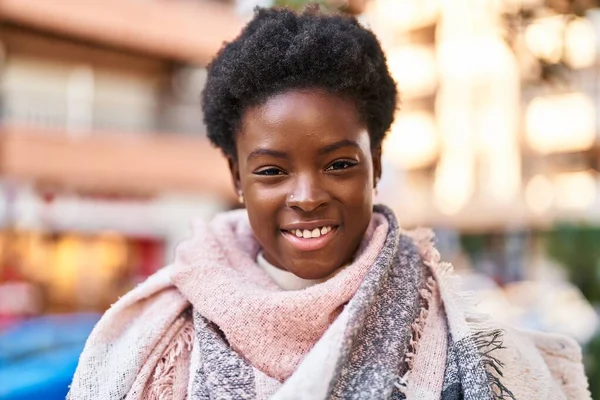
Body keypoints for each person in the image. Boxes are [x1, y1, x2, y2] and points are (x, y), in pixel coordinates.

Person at [69, 6, 590, 400]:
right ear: (237, 178)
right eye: (272, 171)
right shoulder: (159, 336)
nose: (308, 196)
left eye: (339, 164)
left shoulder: (468, 343)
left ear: (376, 163)